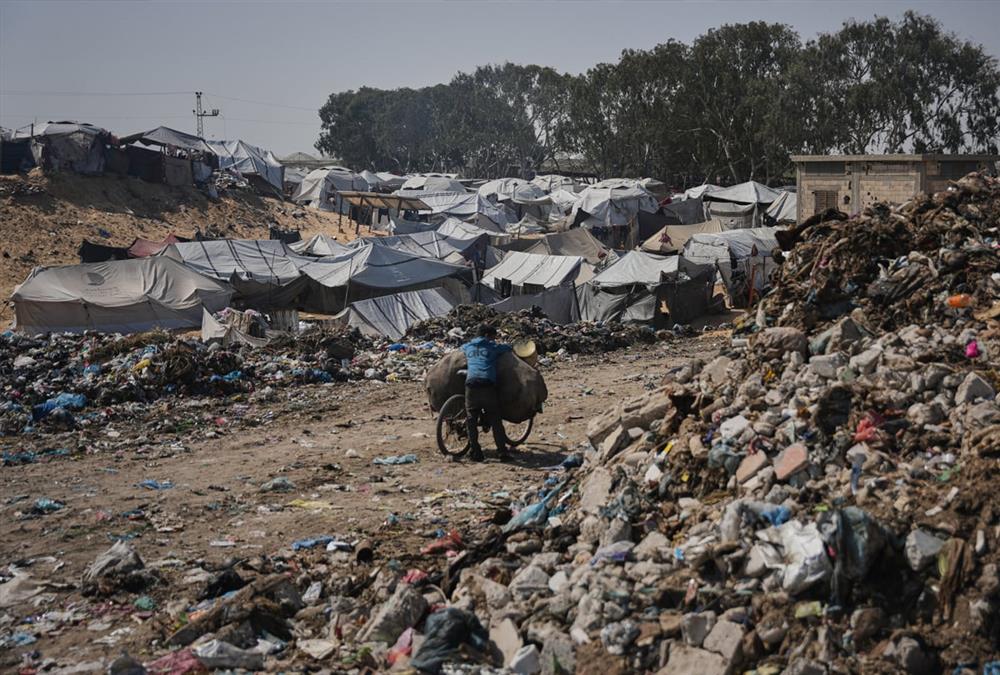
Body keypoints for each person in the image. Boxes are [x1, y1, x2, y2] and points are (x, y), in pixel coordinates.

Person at [460, 324, 512, 462]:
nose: (494, 339)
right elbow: (507, 348)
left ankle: (476, 452)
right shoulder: (492, 347)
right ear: (488, 336)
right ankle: (502, 452)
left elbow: (461, 349)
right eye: (494, 337)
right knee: (495, 418)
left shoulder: (468, 347)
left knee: (471, 419)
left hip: (470, 385)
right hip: (487, 385)